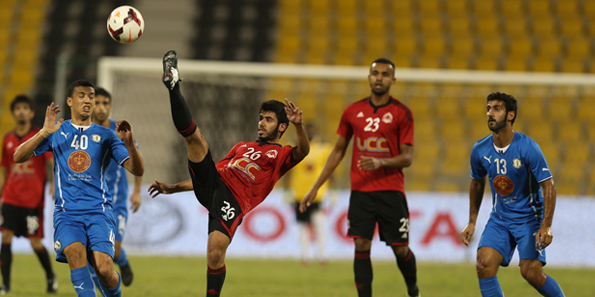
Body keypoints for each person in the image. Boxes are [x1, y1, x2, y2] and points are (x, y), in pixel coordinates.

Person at [148, 50, 309, 297]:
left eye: (268, 119)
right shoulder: (242, 146)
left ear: (282, 126)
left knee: (214, 254)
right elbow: (217, 170)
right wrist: (173, 188)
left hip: (233, 201)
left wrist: (299, 125)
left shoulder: (282, 155)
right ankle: (173, 86)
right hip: (214, 183)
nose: (261, 123)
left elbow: (303, 151)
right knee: (195, 138)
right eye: (260, 118)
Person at [12, 79, 144, 297]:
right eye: (82, 95)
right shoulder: (56, 131)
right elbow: (18, 156)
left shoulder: (107, 136)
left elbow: (137, 170)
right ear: (70, 101)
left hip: (99, 212)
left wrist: (129, 143)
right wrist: (44, 131)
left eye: (91, 96)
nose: (87, 100)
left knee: (104, 270)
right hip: (67, 213)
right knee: (75, 253)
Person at [300, 58, 419, 297]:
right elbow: (338, 151)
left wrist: (381, 161)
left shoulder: (402, 113)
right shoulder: (352, 112)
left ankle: (413, 291)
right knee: (361, 245)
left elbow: (407, 157)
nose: (379, 78)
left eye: (385, 74)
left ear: (393, 80)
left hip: (391, 191)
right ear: (368, 77)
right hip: (361, 192)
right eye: (375, 73)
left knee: (401, 249)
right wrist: (316, 187)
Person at [460, 92, 565, 297]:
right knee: (484, 264)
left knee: (531, 272)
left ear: (510, 115)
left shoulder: (528, 147)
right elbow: (477, 183)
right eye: (488, 108)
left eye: (496, 109)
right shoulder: (480, 149)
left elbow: (549, 186)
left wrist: (546, 225)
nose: (490, 113)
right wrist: (472, 221)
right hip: (500, 218)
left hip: (530, 218)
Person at [0, 95, 58, 294]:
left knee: (35, 243)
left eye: (25, 108)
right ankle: (5, 285)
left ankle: (51, 277)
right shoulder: (7, 139)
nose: (21, 111)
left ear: (32, 113)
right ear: (13, 113)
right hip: (10, 198)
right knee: (5, 237)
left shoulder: (39, 136)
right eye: (18, 108)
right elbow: (4, 170)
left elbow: (52, 161)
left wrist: (53, 183)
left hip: (32, 201)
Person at [91, 87, 142, 286]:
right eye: (97, 103)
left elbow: (136, 160)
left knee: (115, 250)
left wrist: (137, 191)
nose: (102, 107)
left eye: (105, 103)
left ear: (110, 106)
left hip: (116, 199)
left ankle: (123, 261)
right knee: (93, 251)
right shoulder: (85, 131)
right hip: (93, 200)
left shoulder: (119, 130)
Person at [284, 123, 334, 265]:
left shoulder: (323, 148)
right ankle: (305, 256)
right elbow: (288, 170)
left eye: (311, 130)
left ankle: (322, 256)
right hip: (299, 193)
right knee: (302, 226)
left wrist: (333, 189)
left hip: (317, 194)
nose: (310, 133)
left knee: (320, 225)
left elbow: (331, 168)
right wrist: (286, 189)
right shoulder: (294, 148)